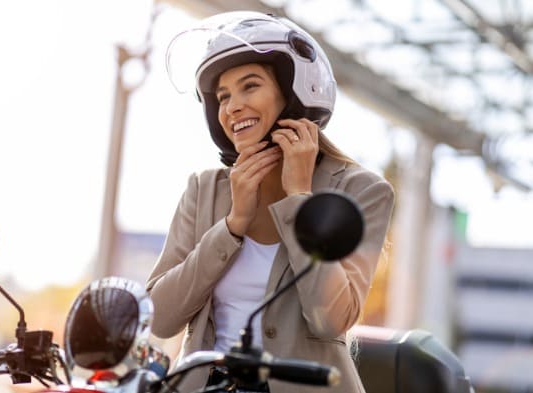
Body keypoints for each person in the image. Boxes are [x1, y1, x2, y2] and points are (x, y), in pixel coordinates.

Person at [146, 11, 394, 393]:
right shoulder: (203, 189)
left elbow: (331, 320)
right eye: (224, 96)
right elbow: (160, 318)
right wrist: (232, 224)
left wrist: (299, 199)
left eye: (250, 86)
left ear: (293, 92)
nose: (231, 107)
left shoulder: (362, 191)